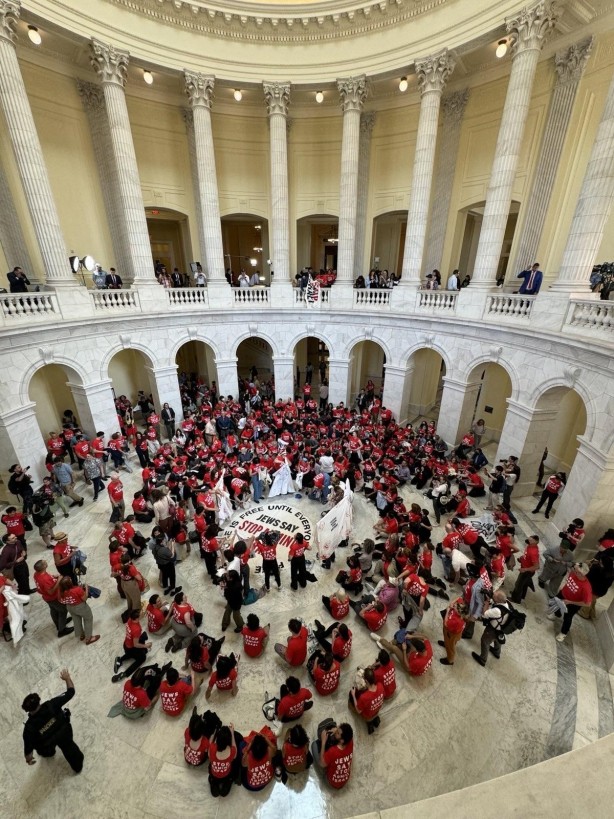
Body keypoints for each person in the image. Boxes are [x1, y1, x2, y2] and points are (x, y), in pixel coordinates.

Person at [22, 669, 83, 772]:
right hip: (64, 733)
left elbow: (28, 749)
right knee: (70, 749)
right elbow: (71, 692)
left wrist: (29, 759)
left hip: (46, 744)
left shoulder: (29, 728)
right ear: (39, 700)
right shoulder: (52, 704)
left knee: (44, 751)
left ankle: (49, 753)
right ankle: (77, 766)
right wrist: (67, 678)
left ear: (27, 710)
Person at [548, 563, 593, 642]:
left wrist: (570, 602)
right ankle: (557, 614)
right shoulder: (573, 573)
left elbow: (587, 603)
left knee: (567, 617)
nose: (572, 569)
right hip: (563, 594)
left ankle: (563, 633)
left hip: (573, 604)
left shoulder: (586, 587)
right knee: (556, 603)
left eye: (574, 569)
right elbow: (568, 582)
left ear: (580, 573)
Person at [33, 559, 73, 638]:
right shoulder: (44, 579)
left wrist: (53, 577)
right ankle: (62, 630)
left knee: (54, 610)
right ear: (44, 567)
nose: (46, 562)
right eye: (45, 562)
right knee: (63, 611)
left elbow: (46, 583)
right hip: (53, 598)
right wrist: (59, 580)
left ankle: (59, 624)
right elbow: (50, 592)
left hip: (47, 598)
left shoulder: (37, 574)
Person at [472, 590, 511, 667]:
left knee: (485, 641)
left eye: (494, 596)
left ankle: (482, 659)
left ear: (498, 600)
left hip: (493, 629)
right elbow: (496, 603)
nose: (492, 595)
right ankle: (496, 652)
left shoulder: (497, 611)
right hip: (502, 628)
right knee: (497, 639)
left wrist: (487, 601)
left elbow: (484, 614)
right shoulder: (507, 602)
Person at [112, 608, 151, 682]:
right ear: (137, 618)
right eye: (141, 612)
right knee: (142, 658)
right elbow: (136, 645)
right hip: (131, 648)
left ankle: (120, 659)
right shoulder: (137, 629)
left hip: (126, 643)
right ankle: (124, 673)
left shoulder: (130, 619)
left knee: (143, 637)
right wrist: (146, 645)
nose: (143, 612)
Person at [57, 577, 99, 644]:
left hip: (69, 607)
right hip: (80, 607)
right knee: (88, 619)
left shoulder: (61, 592)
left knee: (76, 620)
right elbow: (85, 598)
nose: (71, 579)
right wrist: (86, 588)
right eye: (70, 580)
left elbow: (61, 600)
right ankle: (88, 638)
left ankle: (81, 635)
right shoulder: (77, 590)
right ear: (69, 584)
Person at [312, 721, 353, 789]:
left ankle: (323, 772)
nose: (336, 731)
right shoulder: (350, 742)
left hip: (332, 781)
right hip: (345, 779)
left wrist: (323, 742)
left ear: (342, 740)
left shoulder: (333, 751)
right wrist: (336, 729)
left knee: (314, 745)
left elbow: (322, 764)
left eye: (338, 733)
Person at [349, 667, 384, 734]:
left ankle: (369, 722)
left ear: (366, 681)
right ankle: (375, 720)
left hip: (367, 715)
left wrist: (353, 695)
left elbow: (358, 711)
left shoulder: (364, 697)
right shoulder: (380, 686)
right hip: (377, 710)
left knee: (351, 695)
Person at [208, 723, 239, 797]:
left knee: (210, 766)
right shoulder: (232, 751)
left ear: (217, 739)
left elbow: (209, 746)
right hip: (226, 775)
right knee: (235, 765)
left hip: (214, 774)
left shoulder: (211, 748)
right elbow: (235, 754)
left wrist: (215, 733)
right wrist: (232, 733)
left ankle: (213, 783)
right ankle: (228, 783)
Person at [511, 535, 540, 604]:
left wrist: (525, 569)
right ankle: (522, 596)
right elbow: (527, 555)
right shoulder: (530, 546)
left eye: (530, 540)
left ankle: (515, 599)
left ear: (535, 542)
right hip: (525, 568)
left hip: (527, 572)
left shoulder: (533, 553)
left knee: (518, 585)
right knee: (524, 584)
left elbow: (537, 566)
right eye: (528, 539)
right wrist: (522, 558)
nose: (528, 541)